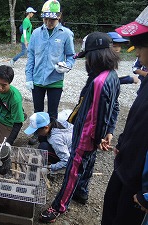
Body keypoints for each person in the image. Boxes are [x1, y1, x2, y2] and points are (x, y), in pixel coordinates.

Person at [40, 32, 120, 223]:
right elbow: (114, 106)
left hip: (87, 135)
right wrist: (109, 131)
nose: (86, 64)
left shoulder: (99, 82)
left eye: (87, 58)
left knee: (73, 169)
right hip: (92, 135)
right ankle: (82, 192)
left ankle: (58, 206)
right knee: (88, 163)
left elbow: (97, 116)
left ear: (95, 57)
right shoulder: (111, 76)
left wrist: (99, 136)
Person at [101, 6, 148, 224]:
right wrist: (123, 141)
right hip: (125, 167)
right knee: (110, 212)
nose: (136, 53)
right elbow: (137, 120)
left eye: (141, 46)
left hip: (140, 186)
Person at [25, 0, 75, 145]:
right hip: (38, 79)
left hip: (55, 80)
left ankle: (51, 136)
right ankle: (37, 134)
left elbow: (71, 56)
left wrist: (67, 66)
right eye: (46, 19)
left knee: (52, 112)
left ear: (59, 16)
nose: (48, 22)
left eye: (52, 19)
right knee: (38, 110)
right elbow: (31, 57)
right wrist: (29, 77)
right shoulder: (35, 33)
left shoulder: (66, 34)